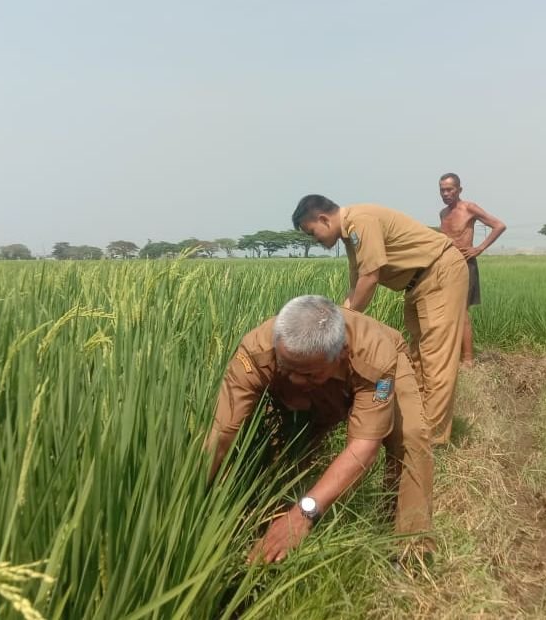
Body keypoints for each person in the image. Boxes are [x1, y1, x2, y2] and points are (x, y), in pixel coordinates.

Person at [205, 295, 434, 563]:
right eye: (286, 367)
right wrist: (191, 495)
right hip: (322, 374)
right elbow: (220, 434)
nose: (294, 380)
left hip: (374, 367)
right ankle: (269, 519)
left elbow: (363, 448)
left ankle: (409, 549)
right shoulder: (256, 351)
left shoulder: (373, 357)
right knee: (286, 443)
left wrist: (304, 513)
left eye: (308, 374)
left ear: (342, 354)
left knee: (410, 438)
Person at [292, 195, 467, 446]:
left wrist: (342, 325)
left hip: (439, 272)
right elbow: (356, 290)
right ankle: (418, 426)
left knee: (436, 359)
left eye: (312, 232)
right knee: (418, 358)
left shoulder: (360, 221)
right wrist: (335, 323)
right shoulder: (351, 237)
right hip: (418, 282)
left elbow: (370, 278)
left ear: (323, 219)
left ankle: (432, 441)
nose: (315, 240)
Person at [437, 173, 507, 367]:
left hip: (465, 264)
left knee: (461, 311)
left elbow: (499, 226)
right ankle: (453, 355)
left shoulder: (469, 208)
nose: (446, 193)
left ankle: (468, 359)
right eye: (442, 189)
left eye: (449, 189)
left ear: (459, 190)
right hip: (446, 266)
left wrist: (479, 248)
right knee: (447, 311)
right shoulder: (443, 213)